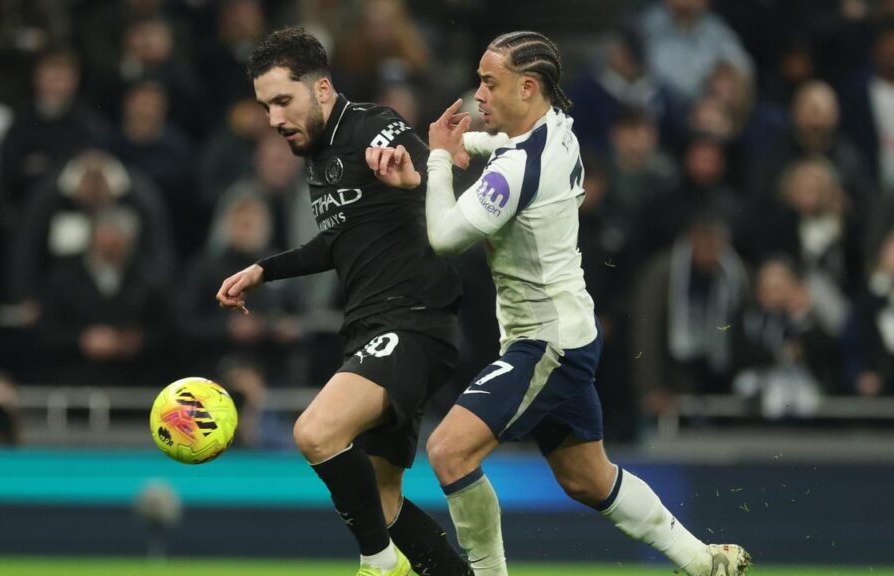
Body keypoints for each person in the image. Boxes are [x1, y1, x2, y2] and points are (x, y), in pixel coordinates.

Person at [366, 31, 751, 576]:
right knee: (587, 478)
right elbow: (502, 147)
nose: (478, 94)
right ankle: (704, 562)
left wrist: (434, 168)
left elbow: (446, 237)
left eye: (488, 82)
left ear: (527, 87)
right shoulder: (559, 132)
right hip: (568, 332)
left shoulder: (522, 165)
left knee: (450, 450)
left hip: (545, 341)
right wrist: (453, 151)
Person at [215, 28, 470, 576]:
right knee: (384, 505)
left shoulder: (373, 126)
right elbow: (337, 241)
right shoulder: (319, 155)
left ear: (323, 88)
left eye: (283, 100)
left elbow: (441, 180)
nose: (274, 118)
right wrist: (265, 269)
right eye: (265, 107)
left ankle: (378, 566)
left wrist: (412, 178)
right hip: (376, 326)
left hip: (412, 321)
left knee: (314, 432)